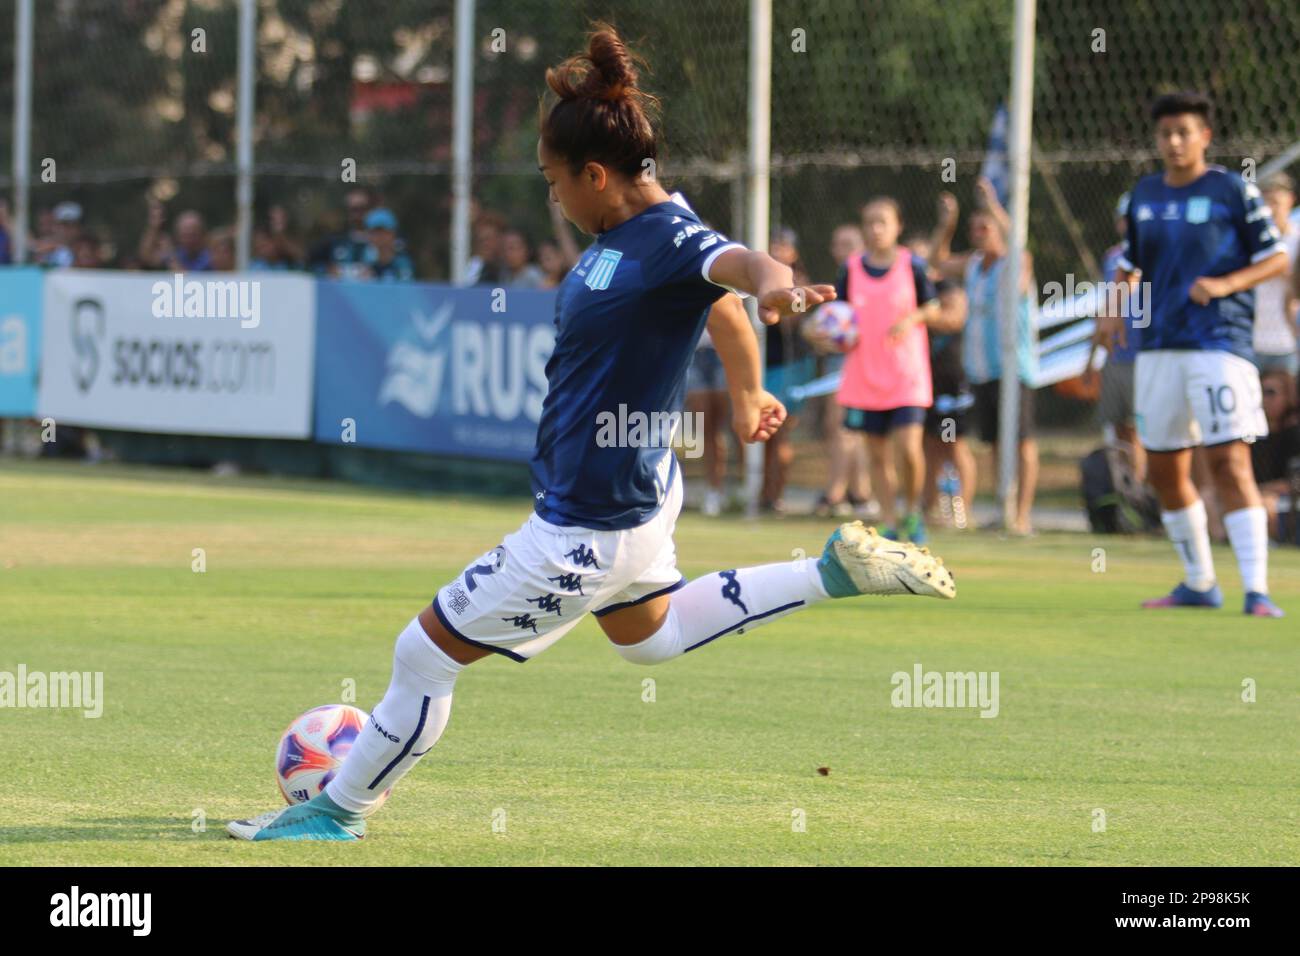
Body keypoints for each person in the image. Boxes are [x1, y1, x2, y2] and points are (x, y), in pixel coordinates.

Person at [228, 23, 955, 842]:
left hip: (586, 525)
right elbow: (716, 307)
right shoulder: (632, 236)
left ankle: (336, 813)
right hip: (636, 505)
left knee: (421, 656)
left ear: (597, 176)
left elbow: (743, 272)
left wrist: (778, 290)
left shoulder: (673, 236)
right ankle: (831, 573)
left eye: (553, 180)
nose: (552, 197)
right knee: (651, 638)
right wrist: (748, 390)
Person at [1096, 91, 1288, 617]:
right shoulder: (1145, 194)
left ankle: (1256, 589)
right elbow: (1129, 264)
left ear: (1204, 136)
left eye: (1185, 131)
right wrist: (1113, 310)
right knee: (1162, 468)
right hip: (1158, 346)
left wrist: (1226, 285)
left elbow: (1274, 258)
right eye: (1165, 134)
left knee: (1229, 459)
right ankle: (1199, 582)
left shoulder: (1232, 190)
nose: (1174, 142)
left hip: (1219, 345)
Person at [810, 198, 940, 543]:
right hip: (864, 376)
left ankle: (912, 511)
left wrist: (912, 318)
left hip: (906, 375)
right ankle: (889, 519)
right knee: (878, 454)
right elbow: (841, 317)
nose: (875, 229)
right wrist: (824, 335)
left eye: (883, 222)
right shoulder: (850, 268)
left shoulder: (913, 266)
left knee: (909, 449)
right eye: (869, 222)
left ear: (898, 226)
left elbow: (934, 306)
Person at [932, 177, 1040, 535]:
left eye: (985, 227)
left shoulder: (1017, 262)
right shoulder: (975, 265)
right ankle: (1004, 509)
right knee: (996, 442)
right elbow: (937, 261)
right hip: (981, 368)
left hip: (1014, 368)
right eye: (973, 227)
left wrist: (993, 204)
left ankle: (1022, 516)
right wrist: (946, 226)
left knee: (1021, 440)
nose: (978, 233)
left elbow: (1017, 241)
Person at [906, 234, 973, 528]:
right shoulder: (910, 292)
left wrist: (915, 315)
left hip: (951, 379)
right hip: (923, 380)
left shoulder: (946, 287)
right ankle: (929, 510)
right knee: (928, 445)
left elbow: (954, 318)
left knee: (954, 444)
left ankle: (964, 513)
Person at [1085, 192, 1147, 482]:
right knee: (1119, 428)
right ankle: (1125, 488)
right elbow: (1105, 308)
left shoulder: (1153, 251)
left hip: (1143, 355)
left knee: (1139, 428)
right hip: (1116, 355)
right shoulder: (1112, 257)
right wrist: (1090, 358)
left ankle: (1141, 490)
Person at [816, 223, 874, 518]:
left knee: (844, 426)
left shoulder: (867, 275)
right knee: (842, 427)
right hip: (844, 358)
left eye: (851, 242)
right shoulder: (845, 277)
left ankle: (838, 493)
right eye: (840, 243)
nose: (846, 249)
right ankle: (858, 494)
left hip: (860, 361)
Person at [685, 293, 740, 516]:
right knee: (706, 428)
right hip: (692, 353)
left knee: (733, 426)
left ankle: (743, 488)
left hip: (722, 352)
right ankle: (713, 491)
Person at [1252, 173, 1299, 377]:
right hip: (1250, 342)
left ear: (1290, 200)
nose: (1269, 209)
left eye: (1275, 202)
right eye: (1264, 202)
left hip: (1287, 343)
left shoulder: (1297, 240)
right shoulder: (1249, 242)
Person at [1251, 370, 1300, 540]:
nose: (1264, 399)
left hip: (1283, 497)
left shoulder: (1294, 435)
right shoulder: (1249, 435)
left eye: (1271, 392)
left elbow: (1295, 482)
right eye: (1260, 392)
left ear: (1288, 396)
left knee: (1265, 504)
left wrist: (1258, 491)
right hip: (1254, 491)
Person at [309, 188, 375, 278]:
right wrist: (326, 269)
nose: (358, 214)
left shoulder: (382, 239)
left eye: (362, 208)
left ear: (370, 209)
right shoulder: (334, 240)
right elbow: (308, 261)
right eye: (354, 209)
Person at [360, 208, 415, 281]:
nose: (379, 237)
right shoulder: (363, 261)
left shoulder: (402, 263)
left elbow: (407, 289)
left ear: (393, 234)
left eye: (384, 232)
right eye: (374, 232)